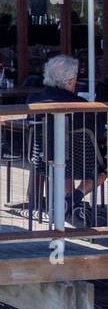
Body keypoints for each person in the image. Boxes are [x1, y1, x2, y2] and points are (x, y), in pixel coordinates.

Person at [29, 54, 107, 216]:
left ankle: (69, 201)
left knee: (62, 154)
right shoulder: (81, 106)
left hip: (43, 161)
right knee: (103, 167)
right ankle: (73, 200)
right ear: (71, 81)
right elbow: (99, 134)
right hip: (85, 164)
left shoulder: (33, 101)